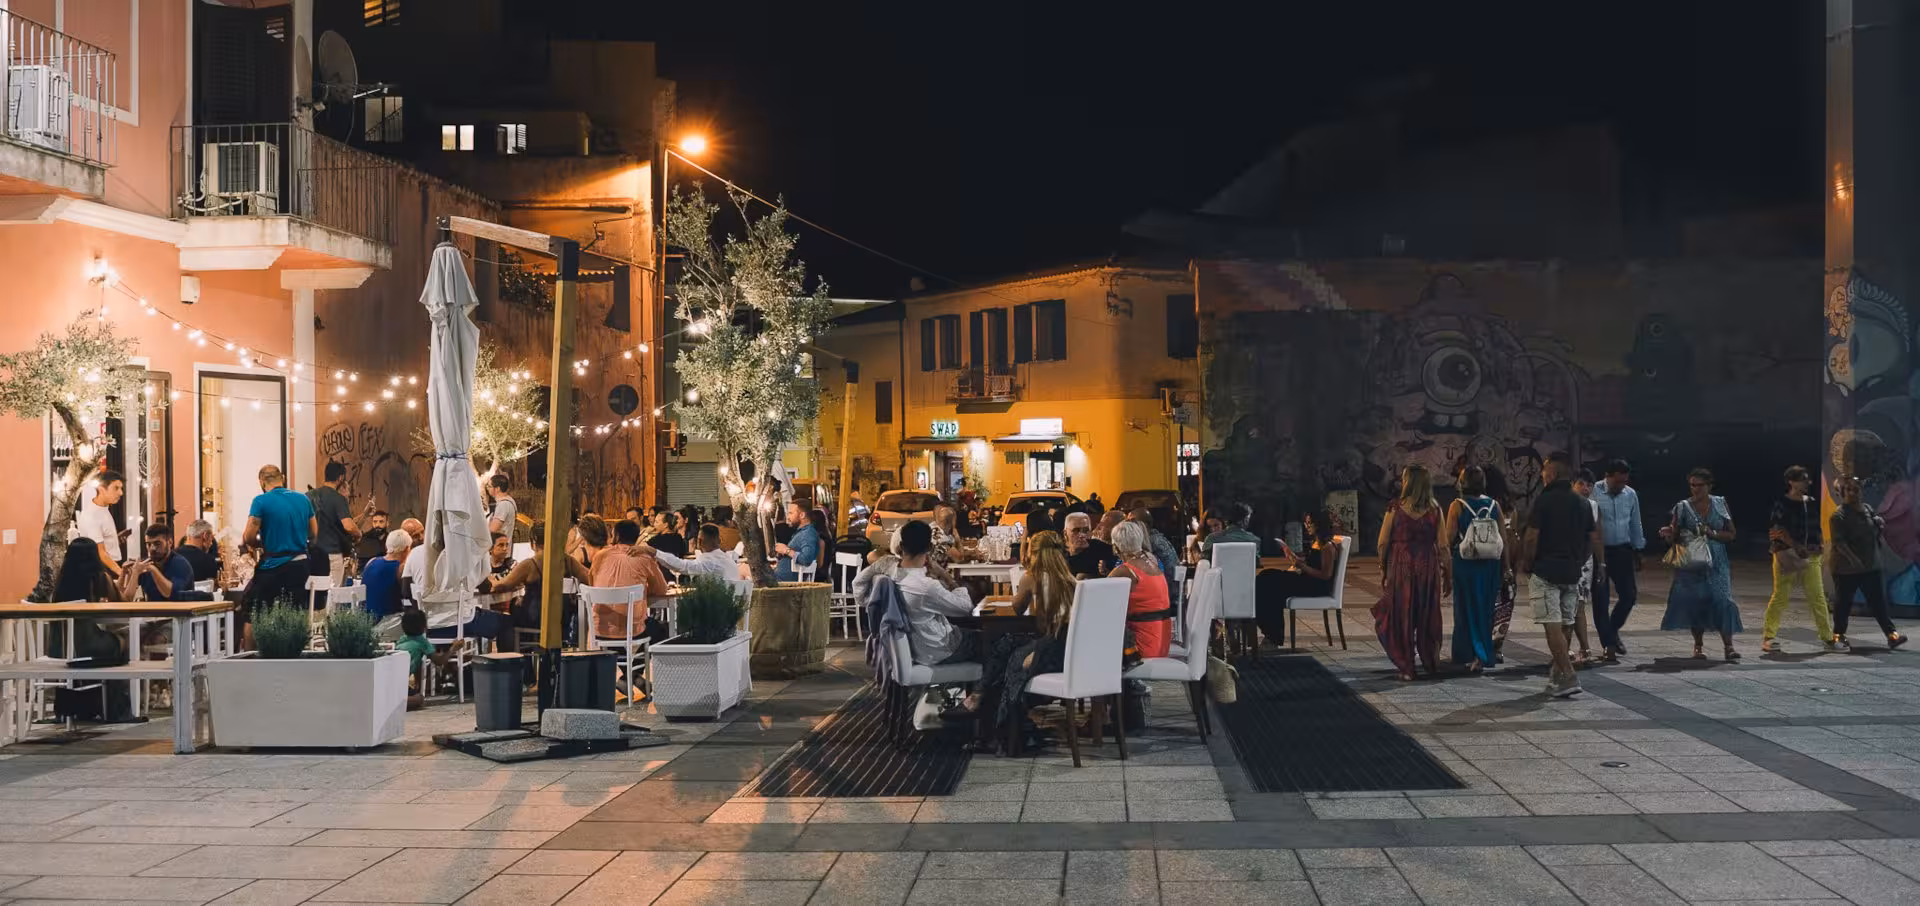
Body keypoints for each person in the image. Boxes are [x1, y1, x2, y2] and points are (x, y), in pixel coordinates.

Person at [1519, 452, 1597, 697]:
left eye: (1544, 470)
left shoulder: (1545, 500)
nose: (1542, 475)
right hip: (1571, 573)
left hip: (1546, 571)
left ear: (1552, 472)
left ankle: (1570, 676)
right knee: (1566, 624)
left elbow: (1532, 537)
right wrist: (1577, 561)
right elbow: (1590, 541)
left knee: (1552, 625)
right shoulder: (1583, 504)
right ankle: (1557, 675)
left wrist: (1528, 563)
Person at [1659, 468, 1745, 661]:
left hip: (1717, 561)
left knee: (1723, 600)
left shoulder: (1720, 503)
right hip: (1692, 561)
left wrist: (1713, 533)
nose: (1695, 489)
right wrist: (1668, 534)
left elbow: (1731, 534)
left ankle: (1729, 646)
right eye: (1692, 485)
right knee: (1695, 602)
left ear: (1709, 486)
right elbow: (1675, 537)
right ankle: (1698, 646)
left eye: (1699, 485)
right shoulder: (1682, 507)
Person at [1374, 464, 1445, 682]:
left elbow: (1383, 542)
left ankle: (1407, 666)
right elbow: (1443, 546)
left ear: (1408, 482)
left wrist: (1383, 568)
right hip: (1427, 567)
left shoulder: (1395, 508)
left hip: (1401, 566)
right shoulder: (1435, 511)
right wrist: (1448, 574)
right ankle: (1430, 661)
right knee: (1426, 614)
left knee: (1400, 615)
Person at [1763, 465, 1838, 652]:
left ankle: (1828, 638)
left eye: (1807, 479)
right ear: (1791, 482)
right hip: (1786, 554)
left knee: (1818, 597)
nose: (1807, 482)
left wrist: (1820, 544)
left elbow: (1816, 525)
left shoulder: (1811, 501)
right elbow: (1777, 529)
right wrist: (1795, 545)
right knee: (1780, 596)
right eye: (1803, 479)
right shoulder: (1782, 502)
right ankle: (1769, 637)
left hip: (1810, 555)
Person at [240, 464, 318, 641]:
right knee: (295, 609)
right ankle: (294, 654)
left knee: (252, 609)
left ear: (261, 481)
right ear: (282, 478)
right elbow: (314, 534)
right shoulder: (303, 499)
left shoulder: (261, 501)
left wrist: (258, 544)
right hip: (301, 564)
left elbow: (248, 536)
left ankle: (249, 657)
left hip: (274, 565)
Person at [1829, 476, 1906, 650]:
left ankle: (1891, 635)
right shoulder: (1838, 515)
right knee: (1844, 603)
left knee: (1878, 601)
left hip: (1871, 565)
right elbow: (1839, 542)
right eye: (1849, 490)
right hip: (1846, 569)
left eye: (1856, 489)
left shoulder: (1867, 509)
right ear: (1842, 493)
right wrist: (1853, 559)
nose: (1854, 493)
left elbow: (1873, 533)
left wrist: (1879, 524)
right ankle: (1838, 636)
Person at [484, 520, 590, 643]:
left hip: (535, 620)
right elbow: (589, 578)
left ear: (533, 542)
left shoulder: (529, 565)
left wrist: (489, 579)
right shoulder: (568, 561)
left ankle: (519, 656)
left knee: (507, 618)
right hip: (562, 619)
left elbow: (502, 586)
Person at [1442, 468, 1503, 673]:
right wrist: (1508, 568)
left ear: (1462, 482)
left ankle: (1466, 653)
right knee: (1485, 610)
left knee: (1466, 609)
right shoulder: (1495, 505)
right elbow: (1504, 540)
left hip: (1466, 564)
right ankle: (1483, 652)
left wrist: (1443, 559)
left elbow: (1449, 537)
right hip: (1490, 565)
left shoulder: (1457, 506)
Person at [892, 520, 977, 665]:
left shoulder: (891, 574)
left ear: (901, 547)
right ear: (930, 548)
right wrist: (946, 576)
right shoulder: (926, 586)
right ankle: (980, 687)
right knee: (998, 642)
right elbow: (966, 608)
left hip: (915, 647)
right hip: (938, 649)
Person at [1255, 511, 1339, 648]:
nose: (1306, 526)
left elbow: (1326, 575)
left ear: (1319, 525)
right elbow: (1312, 563)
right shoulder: (1316, 542)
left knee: (1269, 584)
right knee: (1266, 576)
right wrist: (1295, 559)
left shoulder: (1327, 546)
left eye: (1309, 523)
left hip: (1315, 586)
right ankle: (1271, 633)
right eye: (1306, 522)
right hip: (1306, 580)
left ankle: (1272, 636)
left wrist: (1302, 566)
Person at [583, 517, 669, 640]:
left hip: (599, 631)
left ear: (616, 536)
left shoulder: (600, 556)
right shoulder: (644, 558)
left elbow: (593, 584)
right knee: (662, 629)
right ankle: (638, 659)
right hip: (632, 633)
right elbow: (661, 590)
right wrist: (640, 591)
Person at [1592, 459, 1643, 657]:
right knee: (1601, 599)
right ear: (1608, 476)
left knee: (1629, 596)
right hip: (1599, 552)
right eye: (1617, 482)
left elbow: (1635, 522)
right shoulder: (1594, 491)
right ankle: (1608, 644)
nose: (1621, 486)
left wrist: (1638, 549)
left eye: (1624, 482)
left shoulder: (1630, 494)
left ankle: (1612, 631)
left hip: (1622, 550)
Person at [1109, 520, 1173, 659]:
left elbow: (1098, 600)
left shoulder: (1124, 571)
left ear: (1115, 547)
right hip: (1161, 644)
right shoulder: (1152, 563)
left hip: (1143, 648)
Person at [307, 461, 361, 585]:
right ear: (341, 477)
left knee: (314, 594)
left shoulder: (308, 496)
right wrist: (358, 534)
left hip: (312, 553)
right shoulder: (338, 498)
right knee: (333, 595)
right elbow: (348, 526)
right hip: (332, 554)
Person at [75, 470, 129, 579]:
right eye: (116, 488)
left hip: (111, 566)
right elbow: (101, 553)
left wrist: (115, 539)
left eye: (121, 488)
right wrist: (122, 574)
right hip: (104, 569)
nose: (121, 493)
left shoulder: (103, 508)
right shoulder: (92, 515)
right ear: (101, 489)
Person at [638, 523, 741, 580]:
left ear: (699, 542)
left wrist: (654, 552)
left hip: (715, 613)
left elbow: (683, 566)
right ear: (719, 541)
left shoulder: (710, 561)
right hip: (733, 612)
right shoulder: (728, 559)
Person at [122, 523, 195, 602]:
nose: (152, 548)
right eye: (148, 544)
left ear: (170, 542)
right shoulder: (145, 564)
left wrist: (153, 570)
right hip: (154, 612)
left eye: (157, 544)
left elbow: (169, 594)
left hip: (181, 612)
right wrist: (134, 573)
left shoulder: (180, 564)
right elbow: (126, 599)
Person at [361, 529, 410, 620]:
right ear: (407, 549)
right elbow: (408, 595)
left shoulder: (371, 561)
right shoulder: (401, 568)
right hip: (390, 622)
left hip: (367, 620)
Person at [1063, 511, 1118, 578]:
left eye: (1085, 530)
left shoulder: (1102, 549)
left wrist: (1107, 573)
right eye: (1076, 531)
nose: (1081, 535)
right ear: (1065, 533)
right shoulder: (1058, 552)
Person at [775, 502, 820, 581]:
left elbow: (806, 559)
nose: (788, 517)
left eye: (791, 513)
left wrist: (786, 550)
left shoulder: (808, 534)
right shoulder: (802, 532)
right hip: (779, 577)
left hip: (783, 581)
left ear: (802, 515)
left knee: (746, 568)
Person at [399, 517, 428, 602]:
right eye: (415, 536)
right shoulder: (401, 561)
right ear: (406, 538)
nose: (421, 537)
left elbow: (405, 593)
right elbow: (405, 594)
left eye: (423, 532)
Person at [486, 474, 517, 539]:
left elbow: (493, 529)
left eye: (489, 486)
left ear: (497, 489)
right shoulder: (510, 500)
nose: (487, 488)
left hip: (500, 546)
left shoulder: (503, 505)